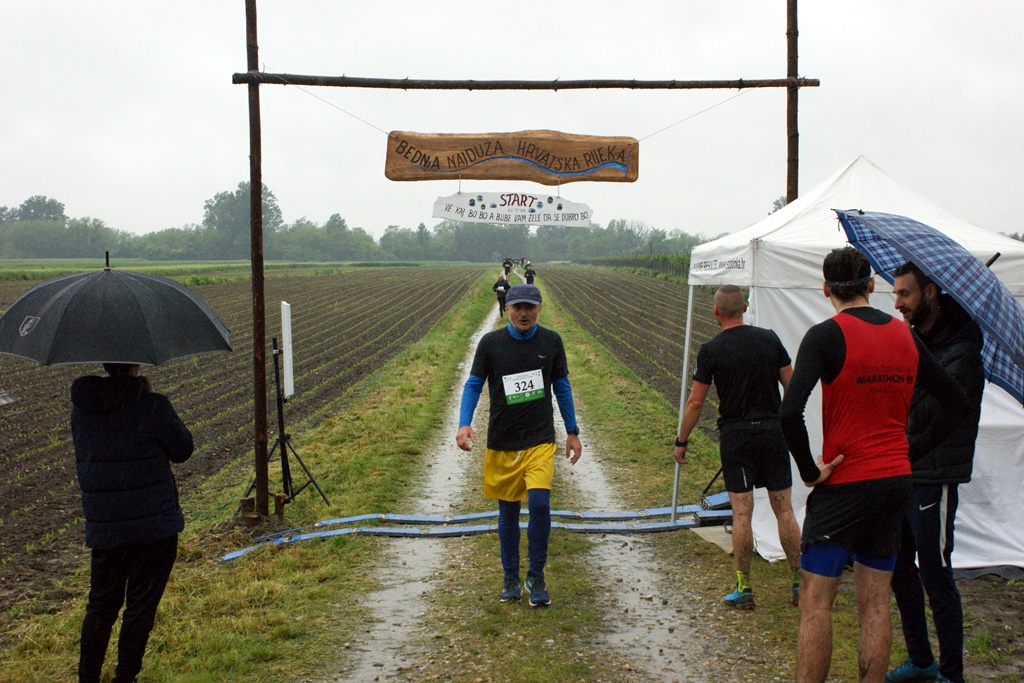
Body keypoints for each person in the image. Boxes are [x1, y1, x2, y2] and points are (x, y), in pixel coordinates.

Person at [779, 247, 969, 683]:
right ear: (871, 285)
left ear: (826, 289)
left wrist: (810, 472)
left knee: (816, 602)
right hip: (895, 482)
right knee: (876, 603)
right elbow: (956, 404)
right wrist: (910, 452)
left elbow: (790, 413)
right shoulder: (906, 336)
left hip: (845, 483)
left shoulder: (826, 335)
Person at [674, 284, 802, 610]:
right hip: (772, 433)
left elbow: (695, 402)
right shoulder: (770, 338)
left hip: (736, 437)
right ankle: (800, 583)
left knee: (742, 513)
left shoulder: (711, 350)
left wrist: (682, 441)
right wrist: (788, 423)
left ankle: (744, 588)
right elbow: (793, 384)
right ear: (744, 307)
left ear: (716, 311)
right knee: (784, 509)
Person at [886, 262, 984, 683]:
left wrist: (907, 448)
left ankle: (952, 674)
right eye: (895, 294)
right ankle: (921, 660)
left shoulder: (962, 352)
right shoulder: (914, 341)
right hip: (906, 472)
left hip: (935, 474)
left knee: (935, 572)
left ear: (929, 293)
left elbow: (938, 415)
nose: (898, 304)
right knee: (898, 568)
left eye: (904, 294)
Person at [456, 283, 583, 607]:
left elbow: (562, 386)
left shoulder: (552, 342)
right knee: (508, 511)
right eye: (517, 308)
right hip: (503, 440)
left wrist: (572, 430)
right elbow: (473, 385)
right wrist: (464, 423)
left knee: (540, 504)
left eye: (530, 307)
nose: (523, 313)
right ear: (508, 309)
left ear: (539, 308)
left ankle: (536, 576)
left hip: (540, 439)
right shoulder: (490, 343)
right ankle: (510, 576)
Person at [72, 362, 194, 683]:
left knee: (101, 605)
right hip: (153, 527)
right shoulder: (152, 406)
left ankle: (87, 678)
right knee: (140, 606)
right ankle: (125, 678)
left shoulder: (83, 409)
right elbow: (182, 449)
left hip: (105, 527)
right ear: (137, 363)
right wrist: (147, 396)